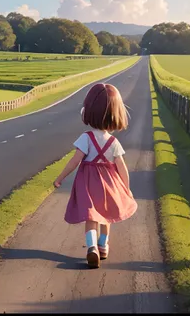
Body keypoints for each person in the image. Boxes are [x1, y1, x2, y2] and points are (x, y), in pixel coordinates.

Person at [53, 83, 137, 269]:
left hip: (88, 183)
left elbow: (74, 161)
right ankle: (103, 246)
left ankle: (91, 247)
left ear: (89, 110)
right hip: (109, 183)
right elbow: (122, 168)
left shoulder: (86, 138)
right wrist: (126, 188)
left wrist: (60, 178)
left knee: (91, 217)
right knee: (106, 217)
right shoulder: (113, 142)